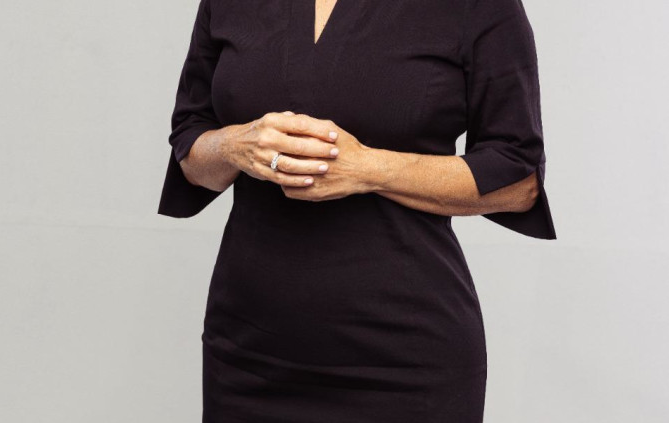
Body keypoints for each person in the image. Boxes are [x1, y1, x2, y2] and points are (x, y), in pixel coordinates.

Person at [158, 0, 557, 421]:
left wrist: (368, 170)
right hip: (245, 353)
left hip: (404, 362)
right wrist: (233, 146)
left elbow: (519, 181)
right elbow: (191, 148)